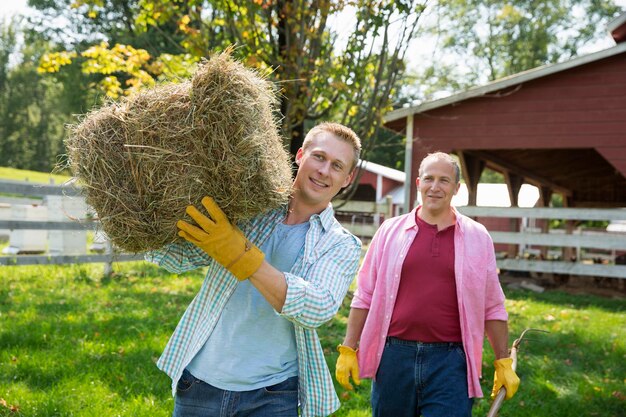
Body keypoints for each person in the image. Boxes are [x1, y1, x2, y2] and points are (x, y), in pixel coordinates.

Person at [146, 122, 362, 417]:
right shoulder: (247, 208)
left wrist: (242, 257)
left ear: (347, 178)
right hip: (199, 381)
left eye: (337, 166)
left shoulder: (339, 244)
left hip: (271, 395)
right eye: (319, 157)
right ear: (300, 155)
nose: (324, 171)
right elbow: (178, 259)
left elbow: (317, 308)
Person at [335, 152, 520, 417]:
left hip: (451, 362)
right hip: (394, 357)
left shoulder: (477, 237)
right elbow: (365, 294)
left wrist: (502, 360)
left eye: (444, 180)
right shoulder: (390, 231)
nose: (435, 187)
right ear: (418, 183)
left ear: (456, 188)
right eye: (429, 179)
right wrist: (348, 347)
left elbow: (492, 306)